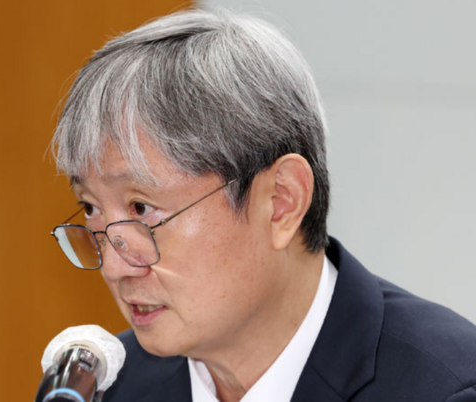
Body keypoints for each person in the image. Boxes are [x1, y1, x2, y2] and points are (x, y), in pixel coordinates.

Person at [49, 9, 476, 402]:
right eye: (90, 208)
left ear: (281, 202)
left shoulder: (445, 387)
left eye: (142, 208)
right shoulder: (105, 389)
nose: (114, 268)